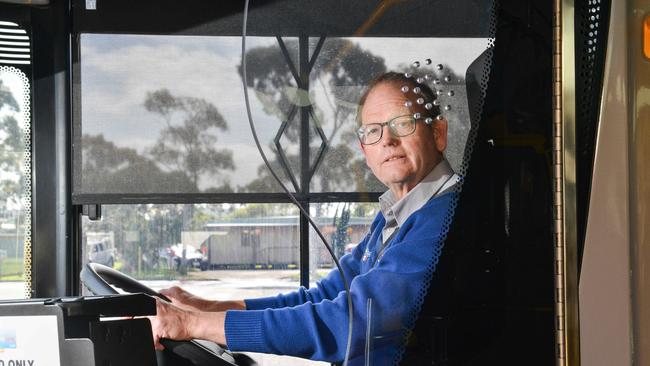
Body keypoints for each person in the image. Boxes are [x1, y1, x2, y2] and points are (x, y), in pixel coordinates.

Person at [149, 71, 459, 364]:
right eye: (373, 131)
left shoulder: (445, 217)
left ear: (438, 133)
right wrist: (205, 308)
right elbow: (328, 295)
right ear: (365, 150)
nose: (387, 140)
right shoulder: (397, 215)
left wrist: (194, 323)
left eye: (403, 124)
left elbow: (350, 323)